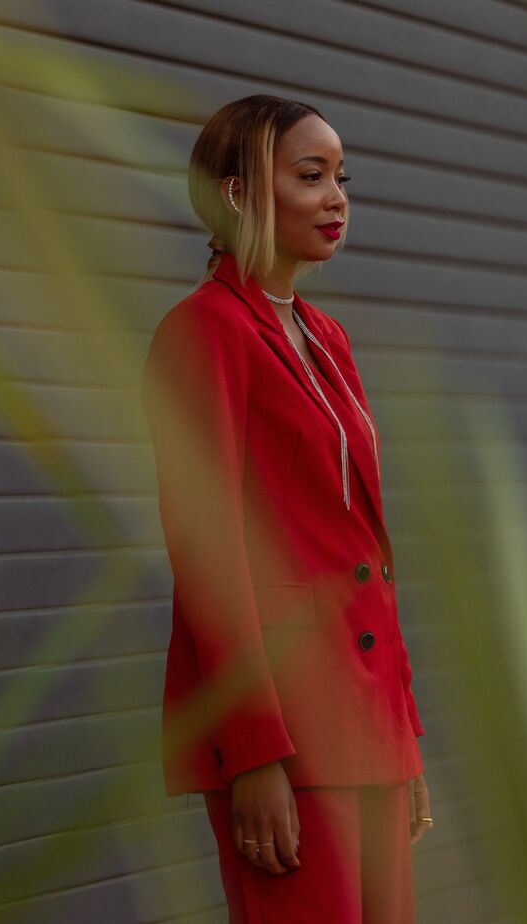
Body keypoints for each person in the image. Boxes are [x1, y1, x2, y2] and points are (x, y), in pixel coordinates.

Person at [141, 94, 432, 924]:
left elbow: (362, 542)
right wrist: (253, 754)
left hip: (368, 711)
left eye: (343, 178)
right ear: (237, 193)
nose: (337, 198)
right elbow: (208, 553)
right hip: (287, 720)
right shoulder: (203, 333)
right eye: (311, 176)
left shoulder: (328, 338)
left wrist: (404, 733)